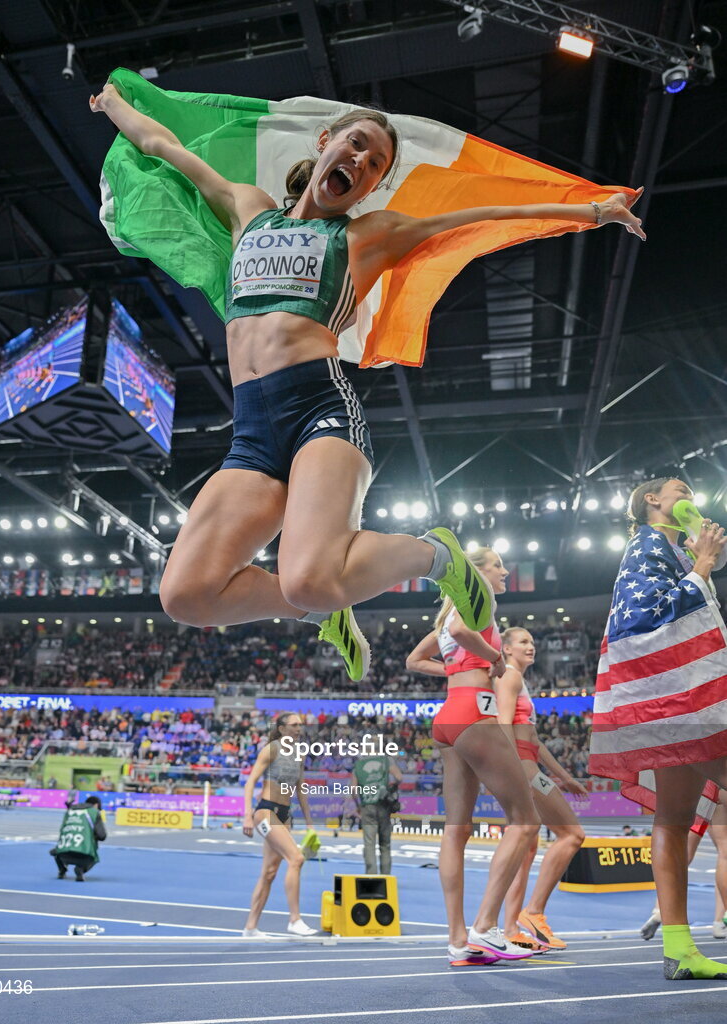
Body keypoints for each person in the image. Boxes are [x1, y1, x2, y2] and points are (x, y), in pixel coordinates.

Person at [90, 82, 644, 683]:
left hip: (320, 413)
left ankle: (438, 556)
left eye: (376, 162)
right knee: (187, 596)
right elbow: (165, 146)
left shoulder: (366, 235)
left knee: (310, 576)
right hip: (251, 432)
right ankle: (318, 610)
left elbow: (480, 214)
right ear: (324, 142)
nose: (361, 160)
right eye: (355, 144)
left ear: (374, 185)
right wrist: (112, 104)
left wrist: (590, 212)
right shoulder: (249, 208)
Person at [589, 477, 727, 980]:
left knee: (671, 820)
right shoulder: (645, 545)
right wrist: (703, 564)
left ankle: (679, 948)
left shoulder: (671, 552)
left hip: (679, 701)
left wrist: (699, 561)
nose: (691, 494)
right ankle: (679, 946)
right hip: (683, 702)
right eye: (679, 488)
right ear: (652, 500)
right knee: (672, 821)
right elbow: (642, 621)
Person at [406, 547, 539, 965]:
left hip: (448, 716)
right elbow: (464, 630)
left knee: (456, 830)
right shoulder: (479, 599)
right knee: (525, 820)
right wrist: (496, 658)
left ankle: (459, 940)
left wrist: (457, 669)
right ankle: (485, 927)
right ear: (477, 571)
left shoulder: (445, 613)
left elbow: (414, 661)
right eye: (497, 564)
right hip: (474, 713)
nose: (505, 570)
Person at [495, 627, 587, 951]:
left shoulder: (518, 680)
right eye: (523, 642)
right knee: (572, 834)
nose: (531, 646)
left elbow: (533, 739)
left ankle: (511, 930)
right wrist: (515, 775)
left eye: (532, 642)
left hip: (526, 765)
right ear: (507, 649)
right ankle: (533, 912)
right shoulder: (510, 677)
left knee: (526, 850)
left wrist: (564, 776)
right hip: (523, 770)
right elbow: (502, 726)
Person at [242, 713, 317, 937]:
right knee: (296, 859)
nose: (298, 729)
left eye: (300, 725)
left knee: (269, 872)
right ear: (282, 729)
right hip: (266, 811)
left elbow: (300, 789)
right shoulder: (271, 749)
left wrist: (310, 823)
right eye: (294, 725)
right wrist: (247, 815)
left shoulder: (299, 753)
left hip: (284, 814)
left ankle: (250, 928)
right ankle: (295, 920)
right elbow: (250, 782)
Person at [641, 792, 727, 941]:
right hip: (717, 794)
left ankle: (659, 910)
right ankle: (719, 921)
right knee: (724, 852)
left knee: (682, 855)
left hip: (698, 795)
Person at [352, 741, 403, 875]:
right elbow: (399, 777)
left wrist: (358, 805)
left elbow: (353, 790)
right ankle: (386, 877)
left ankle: (371, 877)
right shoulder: (386, 760)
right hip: (383, 805)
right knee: (385, 844)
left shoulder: (358, 765)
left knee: (369, 843)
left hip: (367, 805)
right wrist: (391, 787)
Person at [51, 795, 107, 881]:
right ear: (96, 805)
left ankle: (62, 870)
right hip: (84, 855)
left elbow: (62, 830)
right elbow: (102, 836)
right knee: (94, 857)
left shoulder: (70, 811)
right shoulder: (94, 812)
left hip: (63, 854)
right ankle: (81, 869)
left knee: (58, 850)